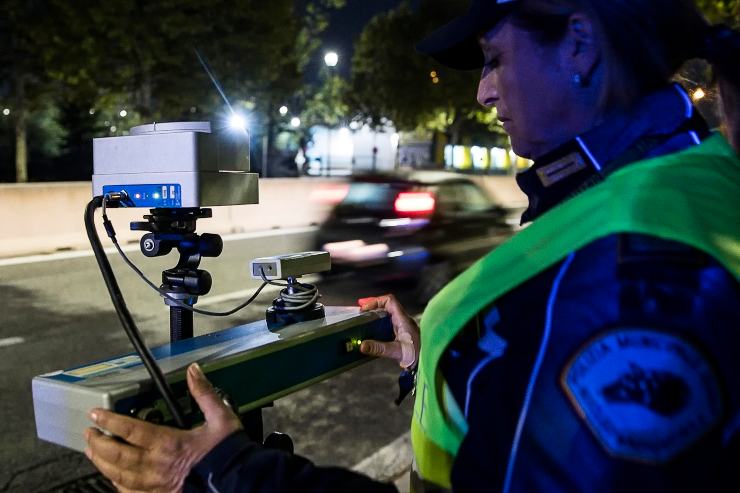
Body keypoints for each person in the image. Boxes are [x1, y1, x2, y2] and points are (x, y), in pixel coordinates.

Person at [85, 0, 740, 491]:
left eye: (494, 58)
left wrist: (217, 472)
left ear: (577, 44)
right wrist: (460, 368)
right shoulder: (704, 182)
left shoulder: (608, 269)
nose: (483, 90)